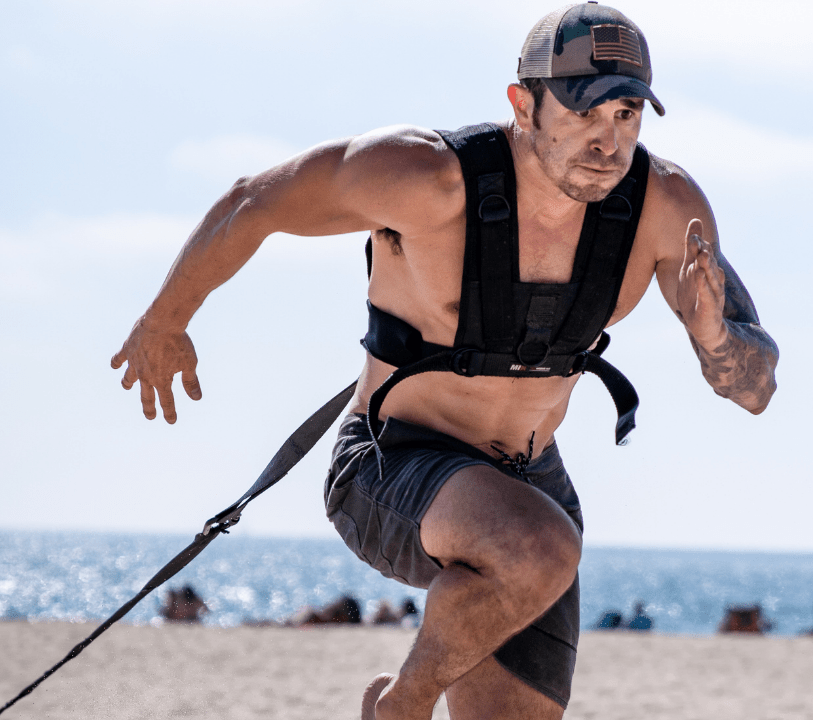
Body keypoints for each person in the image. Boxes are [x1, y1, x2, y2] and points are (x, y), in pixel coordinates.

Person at [111, 4, 778, 718]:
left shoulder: (662, 207)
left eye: (625, 115)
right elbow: (257, 201)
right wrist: (166, 319)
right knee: (541, 547)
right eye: (584, 112)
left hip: (528, 484)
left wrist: (716, 342)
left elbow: (756, 387)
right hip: (389, 464)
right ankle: (404, 705)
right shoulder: (426, 177)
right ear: (523, 104)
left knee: (531, 603)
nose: (606, 141)